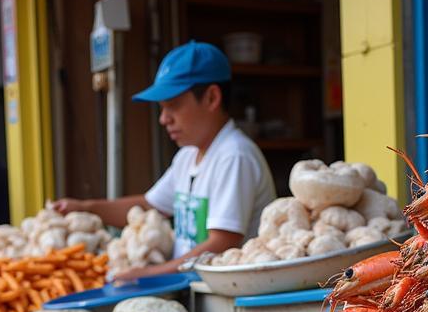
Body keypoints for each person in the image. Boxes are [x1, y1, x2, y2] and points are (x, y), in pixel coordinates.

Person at [55, 41, 275, 279]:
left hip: (227, 297)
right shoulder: (187, 156)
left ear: (212, 98)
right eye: (161, 108)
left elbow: (222, 243)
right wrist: (86, 208)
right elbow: (150, 206)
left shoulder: (234, 155)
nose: (163, 119)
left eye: (173, 105)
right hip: (192, 289)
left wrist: (148, 274)